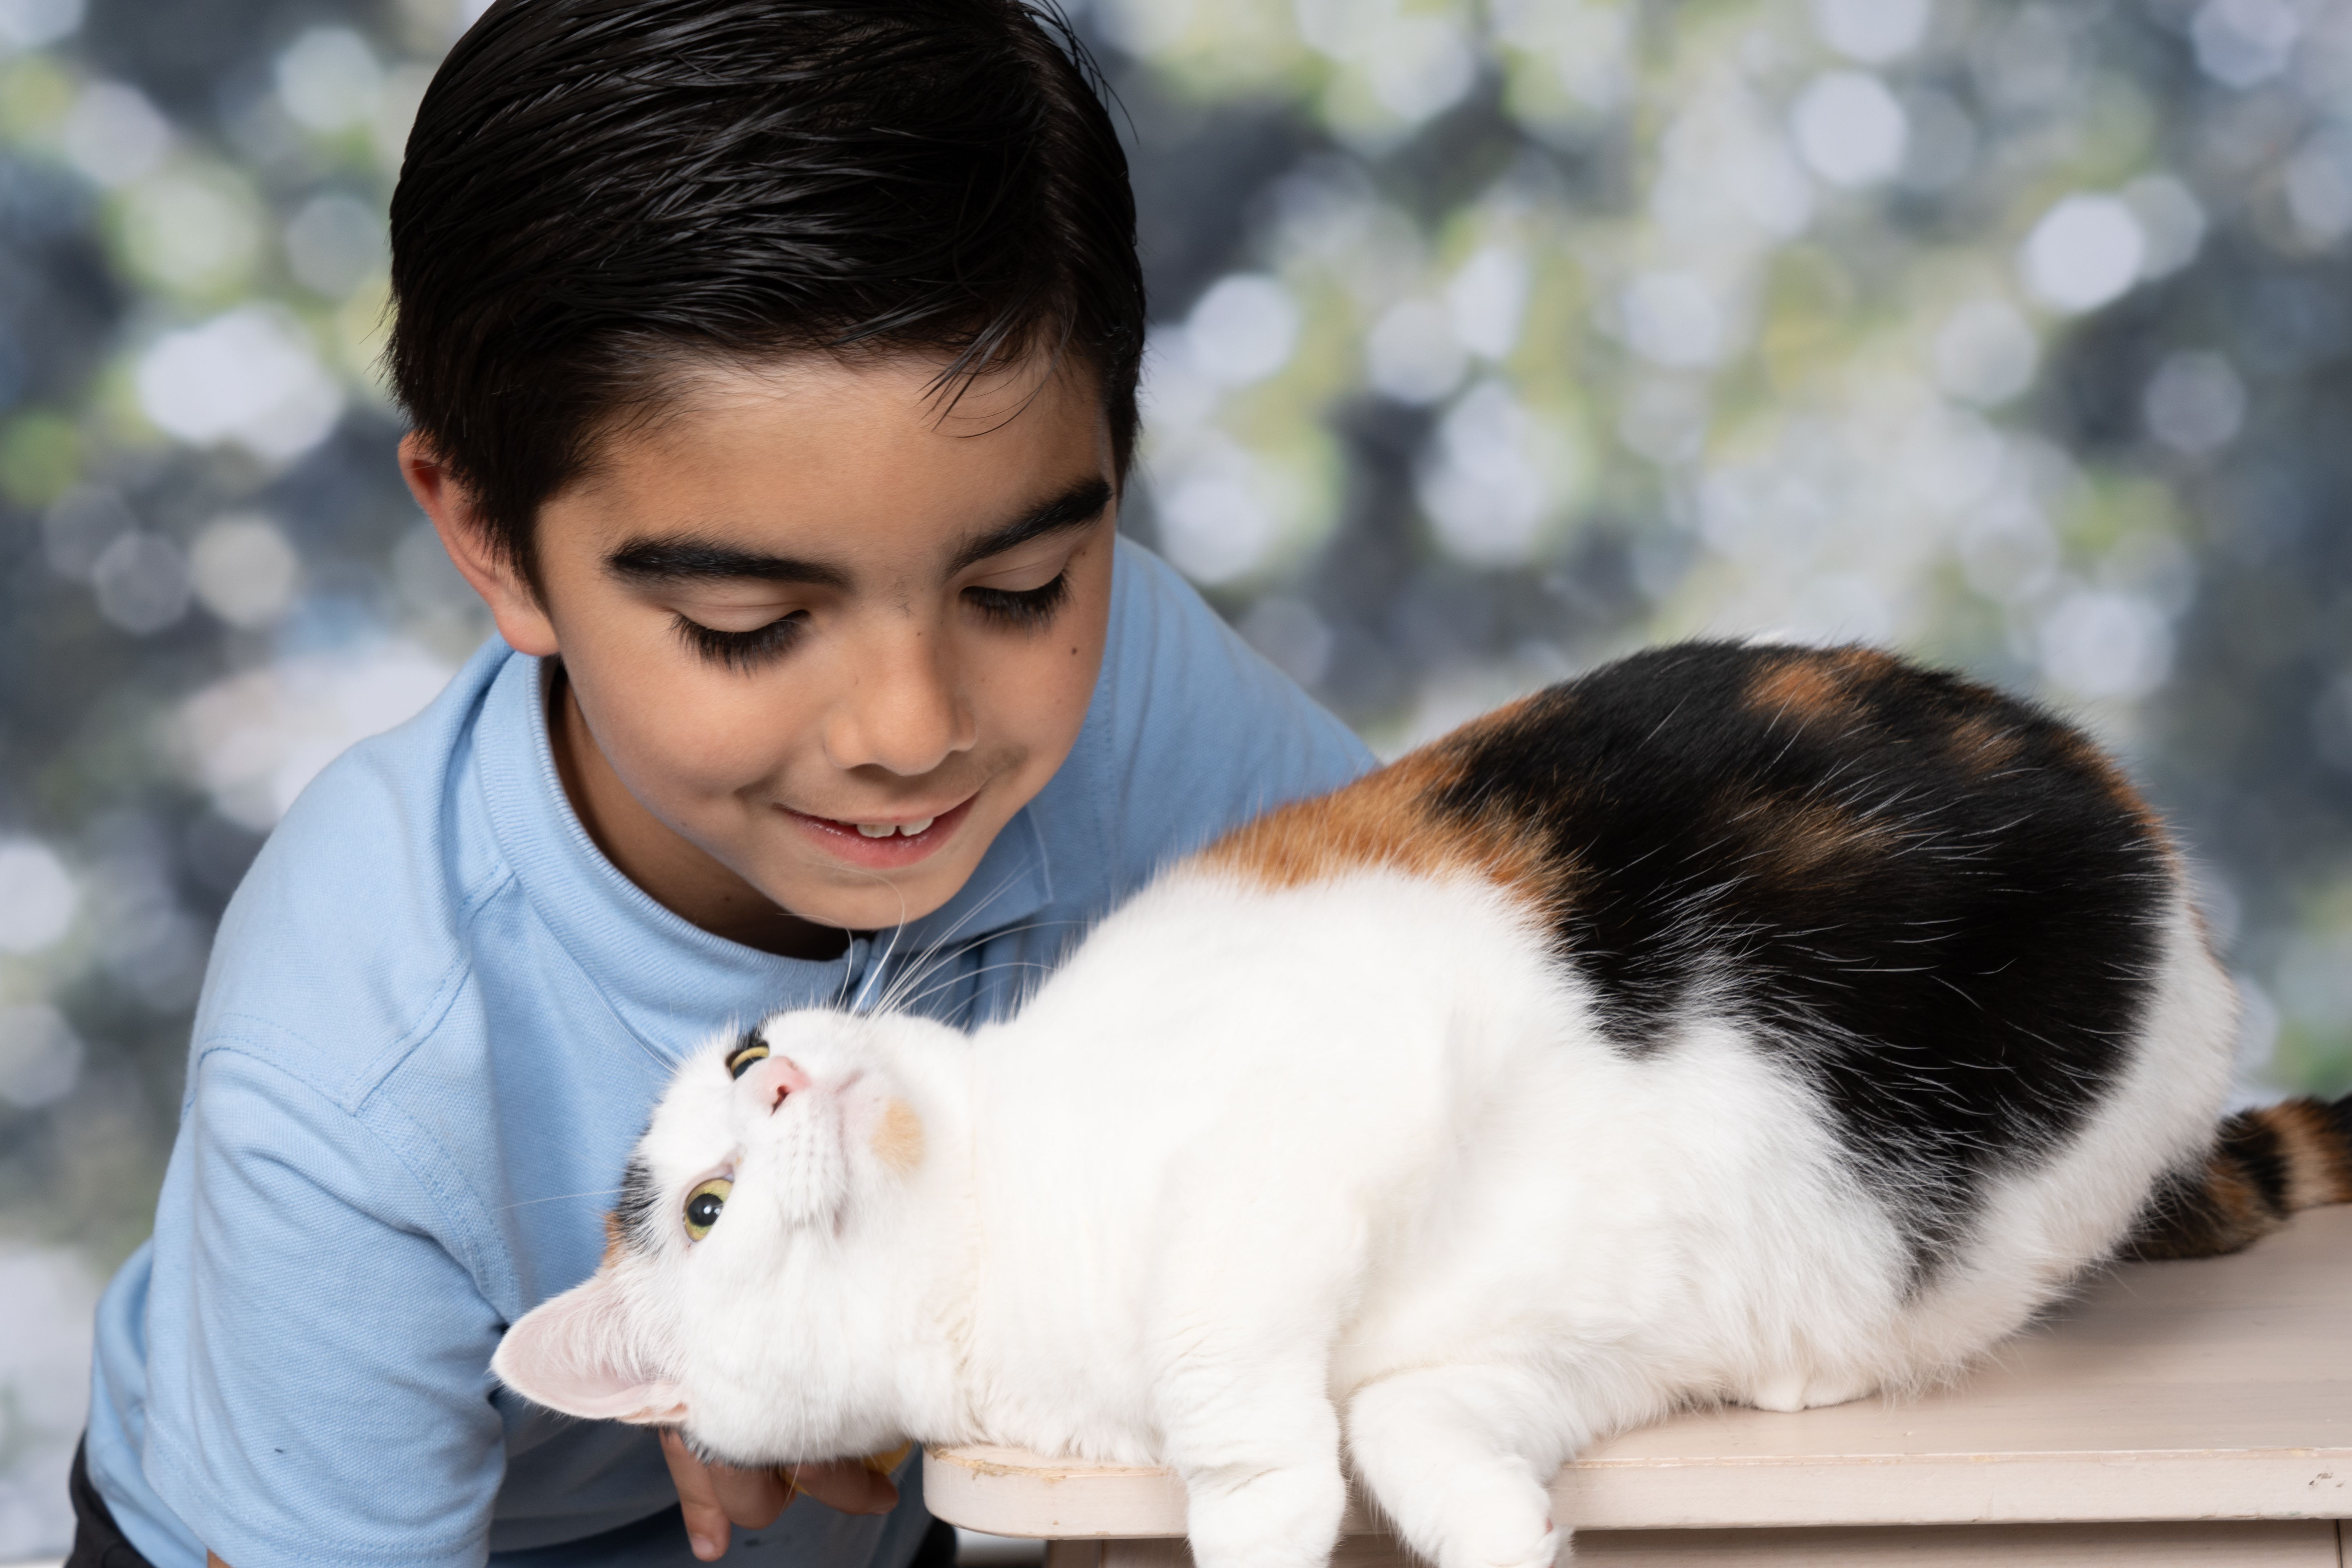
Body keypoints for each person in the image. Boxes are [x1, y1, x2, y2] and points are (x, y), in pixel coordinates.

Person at [70, 3, 1373, 1565]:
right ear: (491, 537)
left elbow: (1437, 1039)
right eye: (748, 628)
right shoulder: (357, 1056)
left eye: (1022, 587)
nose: (911, 726)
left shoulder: (1146, 693)